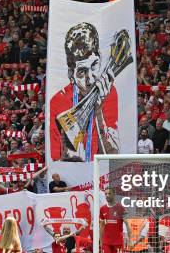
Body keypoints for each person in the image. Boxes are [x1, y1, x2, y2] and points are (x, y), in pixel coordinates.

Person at [49, 22, 120, 162]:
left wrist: (98, 111)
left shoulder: (109, 91)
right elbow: (56, 160)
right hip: (75, 177)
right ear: (71, 73)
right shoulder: (58, 101)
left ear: (99, 57)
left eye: (94, 65)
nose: (91, 78)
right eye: (82, 72)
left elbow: (114, 156)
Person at [99, 187, 131, 253]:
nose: (107, 195)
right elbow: (101, 226)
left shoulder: (120, 208)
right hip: (107, 241)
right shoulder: (102, 209)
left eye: (109, 193)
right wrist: (101, 241)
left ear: (114, 194)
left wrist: (130, 240)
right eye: (106, 194)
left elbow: (127, 224)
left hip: (117, 241)